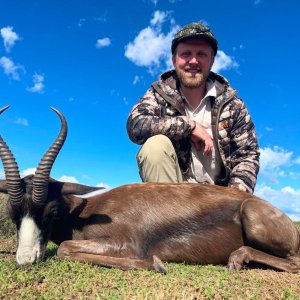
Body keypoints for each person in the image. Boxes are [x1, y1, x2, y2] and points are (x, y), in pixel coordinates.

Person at [126, 22, 259, 193]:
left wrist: (233, 200)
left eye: (202, 54)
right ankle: (169, 218)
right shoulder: (158, 95)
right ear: (174, 60)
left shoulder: (234, 105)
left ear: (211, 60)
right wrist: (190, 126)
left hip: (220, 198)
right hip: (176, 196)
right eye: (186, 54)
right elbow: (135, 125)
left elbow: (247, 154)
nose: (194, 61)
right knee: (155, 146)